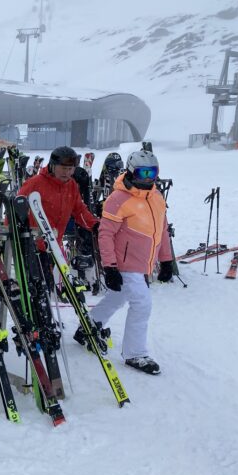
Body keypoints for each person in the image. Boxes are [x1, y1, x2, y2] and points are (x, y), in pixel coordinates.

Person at [80, 149, 173, 375]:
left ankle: (88, 326)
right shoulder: (118, 199)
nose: (147, 178)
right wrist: (110, 267)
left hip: (143, 263)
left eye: (152, 173)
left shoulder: (156, 197)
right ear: (132, 171)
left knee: (117, 297)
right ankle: (135, 354)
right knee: (142, 304)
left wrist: (166, 260)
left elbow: (161, 230)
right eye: (143, 172)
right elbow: (106, 234)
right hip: (124, 262)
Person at [17, 145, 99, 289]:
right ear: (53, 166)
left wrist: (95, 225)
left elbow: (79, 210)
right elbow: (16, 209)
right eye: (63, 168)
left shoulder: (71, 185)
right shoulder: (35, 183)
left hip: (54, 246)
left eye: (70, 169)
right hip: (32, 246)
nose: (66, 173)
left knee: (47, 288)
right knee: (39, 289)